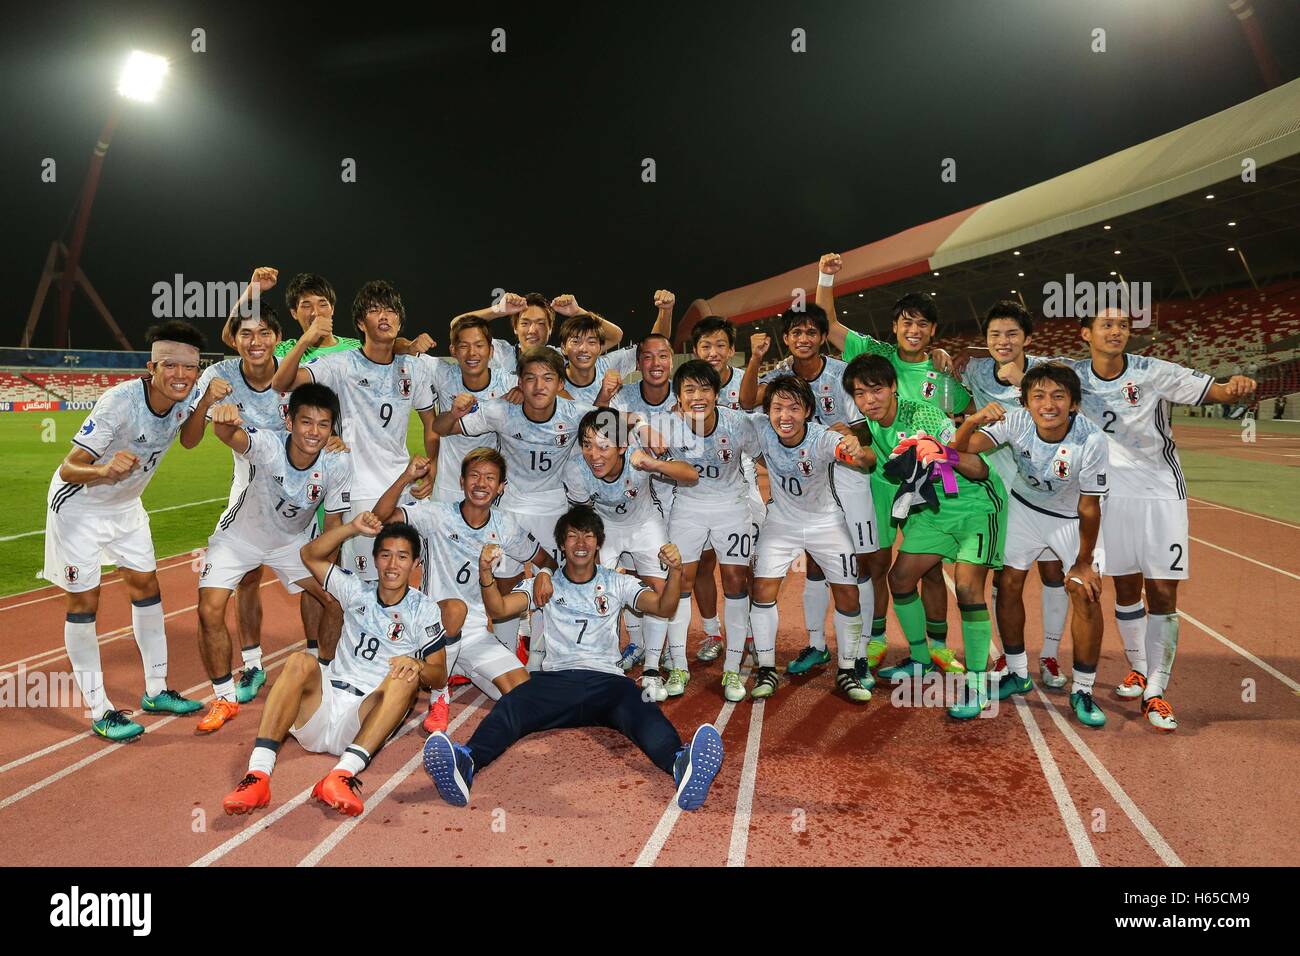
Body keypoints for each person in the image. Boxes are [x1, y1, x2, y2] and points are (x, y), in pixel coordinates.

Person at [421, 507, 724, 813]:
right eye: (572, 536)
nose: (581, 542)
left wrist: (674, 573)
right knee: (512, 705)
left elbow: (663, 606)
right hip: (556, 680)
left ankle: (681, 763)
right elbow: (499, 610)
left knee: (643, 705)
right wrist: (486, 574)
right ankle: (466, 763)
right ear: (562, 545)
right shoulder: (545, 583)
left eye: (588, 535)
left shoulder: (617, 583)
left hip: (608, 682)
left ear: (598, 543)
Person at [1068, 308, 1255, 731]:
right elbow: (1018, 371)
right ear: (1086, 334)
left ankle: (1156, 692)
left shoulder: (1153, 371)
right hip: (1104, 496)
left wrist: (1235, 388)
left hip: (1158, 494)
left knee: (1163, 593)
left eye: (1122, 326)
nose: (1116, 331)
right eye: (1106, 325)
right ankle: (1137, 669)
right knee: (1124, 586)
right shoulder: (1070, 374)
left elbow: (1217, 392)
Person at [221, 514, 464, 816]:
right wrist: (351, 528)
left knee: (404, 678)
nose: (392, 564)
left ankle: (342, 775)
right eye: (385, 555)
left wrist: (416, 665)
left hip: (364, 718)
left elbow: (439, 675)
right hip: (321, 708)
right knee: (300, 660)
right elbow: (309, 555)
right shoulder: (355, 589)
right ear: (375, 559)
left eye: (402, 557)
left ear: (415, 564)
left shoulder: (424, 610)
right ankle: (257, 776)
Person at [43, 321, 208, 741]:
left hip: (126, 507)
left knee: (147, 588)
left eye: (189, 368)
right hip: (79, 505)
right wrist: (103, 469)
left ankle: (156, 691)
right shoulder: (119, 402)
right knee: (85, 602)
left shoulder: (185, 398)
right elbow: (68, 467)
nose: (181, 375)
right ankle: (100, 709)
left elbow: (189, 441)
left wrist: (206, 402)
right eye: (170, 366)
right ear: (152, 367)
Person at [817, 253, 966, 675]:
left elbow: (956, 423)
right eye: (907, 322)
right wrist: (826, 276)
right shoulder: (876, 352)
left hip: (928, 484)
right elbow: (827, 323)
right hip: (880, 481)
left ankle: (937, 647)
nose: (914, 331)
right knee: (878, 562)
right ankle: (878, 639)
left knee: (931, 570)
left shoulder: (943, 374)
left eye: (922, 324)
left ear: (932, 330)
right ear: (895, 325)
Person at [846, 355, 1007, 719]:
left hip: (974, 504)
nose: (870, 400)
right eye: (860, 394)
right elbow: (879, 459)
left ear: (892, 388)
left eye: (876, 390)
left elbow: (971, 461)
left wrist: (943, 452)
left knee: (967, 588)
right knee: (900, 580)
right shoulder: (874, 426)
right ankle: (921, 659)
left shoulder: (923, 415)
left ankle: (978, 684)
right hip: (933, 513)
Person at [951, 364, 1111, 727]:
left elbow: (1090, 507)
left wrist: (1084, 563)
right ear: (1025, 402)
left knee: (1084, 591)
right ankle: (1017, 671)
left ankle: (1083, 689)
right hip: (1025, 508)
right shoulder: (1018, 421)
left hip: (1073, 518)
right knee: (1006, 583)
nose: (1048, 404)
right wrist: (973, 419)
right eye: (1038, 396)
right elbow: (959, 450)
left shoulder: (1091, 439)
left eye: (1058, 396)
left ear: (1073, 404)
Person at [193, 384, 352, 733]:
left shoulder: (337, 462)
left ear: (332, 429)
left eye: (323, 424)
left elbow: (335, 524)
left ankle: (323, 680)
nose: (314, 432)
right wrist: (222, 421)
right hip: (240, 537)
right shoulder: (268, 444)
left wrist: (328, 575)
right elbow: (232, 436)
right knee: (209, 607)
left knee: (336, 599)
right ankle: (224, 697)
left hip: (291, 543)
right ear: (289, 421)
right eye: (306, 422)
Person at [372, 448, 556, 731]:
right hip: (430, 629)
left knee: (523, 694)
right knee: (455, 609)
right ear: (461, 481)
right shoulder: (437, 515)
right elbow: (381, 517)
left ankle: (460, 670)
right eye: (474, 476)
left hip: (474, 633)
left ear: (501, 487)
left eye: (490, 478)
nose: (481, 484)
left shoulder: (505, 525)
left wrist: (543, 574)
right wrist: (406, 477)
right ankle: (439, 692)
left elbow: (547, 561)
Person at [271, 280, 439, 584]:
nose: (385, 317)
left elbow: (431, 424)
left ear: (400, 321)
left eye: (391, 311)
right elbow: (281, 383)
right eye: (375, 311)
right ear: (361, 322)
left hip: (405, 489)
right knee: (365, 583)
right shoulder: (340, 365)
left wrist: (434, 465)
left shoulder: (414, 370)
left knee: (420, 576)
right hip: (359, 490)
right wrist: (307, 338)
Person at [741, 305, 876, 681]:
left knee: (858, 566)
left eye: (811, 332)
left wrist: (848, 437)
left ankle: (859, 653)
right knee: (815, 566)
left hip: (844, 474)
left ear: (821, 337)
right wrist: (754, 357)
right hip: (804, 480)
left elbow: (866, 431)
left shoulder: (842, 374)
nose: (803, 339)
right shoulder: (781, 376)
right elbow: (747, 402)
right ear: (786, 339)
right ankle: (817, 645)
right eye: (796, 333)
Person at [959, 301, 1069, 687]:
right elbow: (958, 382)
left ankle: (1052, 656)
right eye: (994, 335)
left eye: (1011, 334)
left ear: (1027, 338)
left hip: (1046, 490)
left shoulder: (1048, 370)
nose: (1003, 341)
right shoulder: (974, 369)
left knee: (1054, 572)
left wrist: (1022, 377)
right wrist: (946, 356)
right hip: (997, 489)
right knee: (1005, 577)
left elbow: (1067, 409)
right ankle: (1009, 657)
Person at [562, 409, 699, 698]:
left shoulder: (638, 455)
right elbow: (584, 516)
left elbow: (690, 474)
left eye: (603, 446)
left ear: (622, 446)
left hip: (644, 523)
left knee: (661, 591)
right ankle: (603, 660)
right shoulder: (575, 470)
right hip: (605, 527)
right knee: (598, 591)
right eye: (587, 445)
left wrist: (652, 463)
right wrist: (598, 562)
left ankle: (652, 668)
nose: (594, 455)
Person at [661, 360, 764, 701]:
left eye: (705, 389)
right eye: (689, 390)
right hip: (687, 507)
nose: (698, 396)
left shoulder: (739, 424)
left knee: (736, 581)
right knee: (681, 580)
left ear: (718, 394)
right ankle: (678, 665)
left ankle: (732, 671)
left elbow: (768, 457)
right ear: (678, 398)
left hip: (732, 507)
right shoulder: (666, 427)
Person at [685, 315, 765, 663]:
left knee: (741, 565)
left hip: (740, 485)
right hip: (694, 486)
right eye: (706, 346)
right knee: (702, 564)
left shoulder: (747, 384)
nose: (713, 352)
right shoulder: (687, 386)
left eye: (720, 345)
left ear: (732, 350)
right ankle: (713, 632)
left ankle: (745, 632)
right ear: (695, 350)